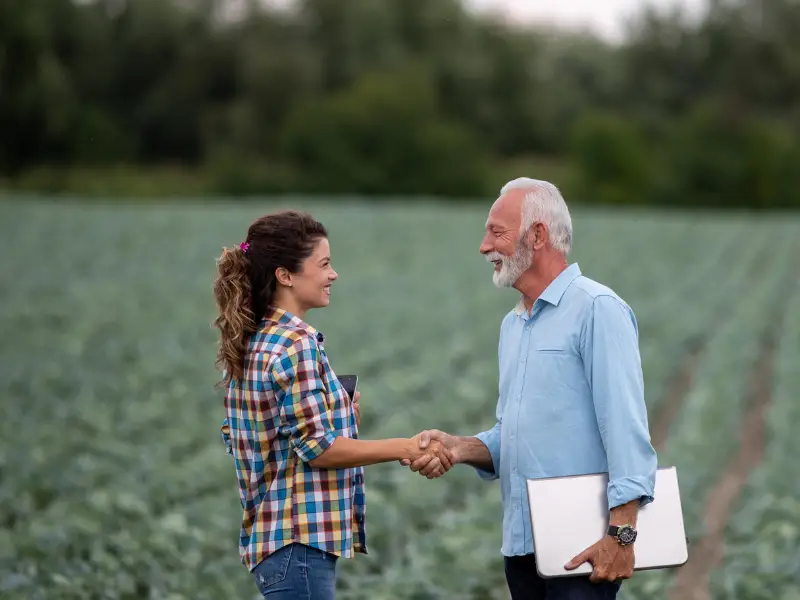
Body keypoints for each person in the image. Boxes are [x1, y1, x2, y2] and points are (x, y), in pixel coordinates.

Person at [403, 178, 658, 600]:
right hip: (523, 549)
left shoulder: (596, 310)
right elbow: (517, 434)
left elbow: (626, 427)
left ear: (537, 234)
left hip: (585, 548)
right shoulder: (514, 325)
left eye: (496, 232)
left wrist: (622, 535)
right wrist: (460, 447)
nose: (485, 247)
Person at [212, 210, 453, 600]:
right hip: (299, 544)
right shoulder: (296, 344)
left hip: (273, 544)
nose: (333, 274)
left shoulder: (255, 340)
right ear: (285, 275)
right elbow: (317, 448)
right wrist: (407, 447)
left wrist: (341, 418)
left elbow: (269, 439)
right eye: (323, 264)